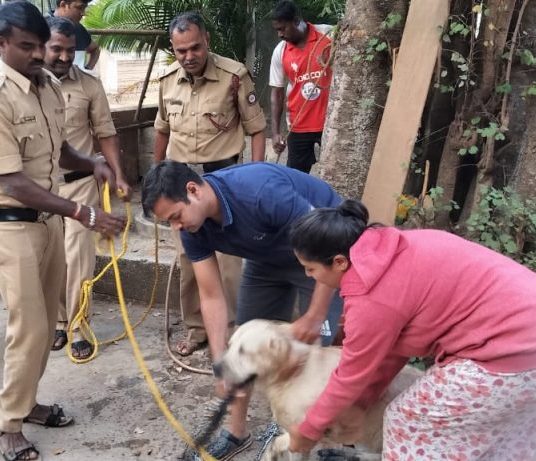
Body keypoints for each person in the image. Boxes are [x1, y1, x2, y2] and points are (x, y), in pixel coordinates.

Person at [284, 200, 536, 460]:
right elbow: (391, 350)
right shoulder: (399, 247)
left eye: (311, 268)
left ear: (339, 262)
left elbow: (351, 373)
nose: (309, 276)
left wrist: (307, 431)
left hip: (517, 364)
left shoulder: (371, 298)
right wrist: (361, 403)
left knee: (408, 422)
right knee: (499, 443)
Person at [0, 2, 124, 460]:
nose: (38, 55)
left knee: (41, 325)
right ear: (1, 45)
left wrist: (92, 162)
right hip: (8, 226)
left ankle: (26, 403)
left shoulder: (48, 86)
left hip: (47, 222)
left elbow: (59, 150)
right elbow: (13, 182)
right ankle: (5, 424)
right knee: (31, 328)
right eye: (26, 46)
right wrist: (82, 212)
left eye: (41, 46)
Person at [141, 161, 343, 460]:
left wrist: (314, 316)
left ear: (193, 190)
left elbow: (328, 247)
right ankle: (236, 433)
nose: (176, 227)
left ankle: (318, 440)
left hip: (322, 255)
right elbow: (211, 295)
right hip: (266, 260)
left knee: (315, 355)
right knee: (243, 346)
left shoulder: (261, 193)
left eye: (175, 216)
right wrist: (220, 363)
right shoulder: (192, 229)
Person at [154, 11, 267, 359]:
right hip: (179, 185)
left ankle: (233, 332)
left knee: (228, 260)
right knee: (189, 260)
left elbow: (257, 128)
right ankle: (197, 328)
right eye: (181, 50)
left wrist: (256, 177)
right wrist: (156, 179)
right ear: (173, 48)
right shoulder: (167, 81)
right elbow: (162, 130)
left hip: (223, 183)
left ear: (207, 41)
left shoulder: (234, 76)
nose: (189, 56)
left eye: (195, 48)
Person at [43, 16, 130, 359]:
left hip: (79, 184)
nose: (65, 57)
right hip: (41, 189)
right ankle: (59, 321)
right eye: (57, 49)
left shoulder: (90, 85)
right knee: (51, 258)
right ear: (42, 46)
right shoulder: (27, 86)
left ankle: (79, 326)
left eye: (70, 51)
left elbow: (106, 133)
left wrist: (119, 175)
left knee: (78, 257)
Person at [268, 0, 333, 174]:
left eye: (283, 29)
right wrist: (275, 132)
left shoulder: (329, 35)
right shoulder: (280, 51)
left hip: (331, 123)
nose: (280, 34)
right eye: (277, 30)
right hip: (299, 125)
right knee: (296, 178)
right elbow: (277, 92)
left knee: (336, 172)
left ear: (296, 20)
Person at [48, 0, 100, 70]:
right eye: (80, 7)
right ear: (63, 5)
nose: (83, 13)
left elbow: (95, 49)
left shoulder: (79, 28)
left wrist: (87, 70)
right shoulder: (43, 26)